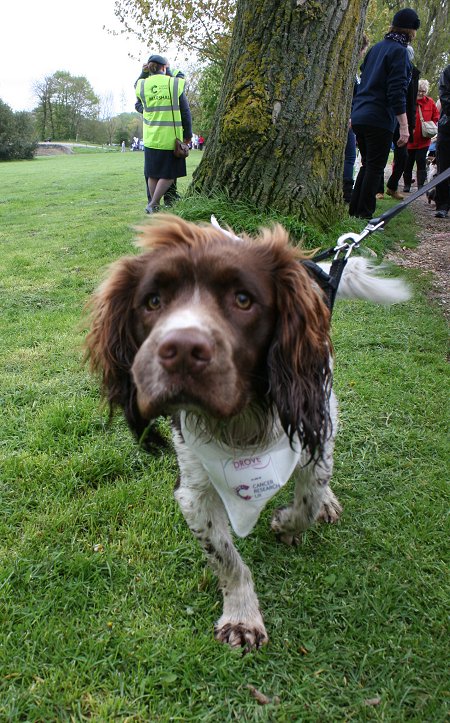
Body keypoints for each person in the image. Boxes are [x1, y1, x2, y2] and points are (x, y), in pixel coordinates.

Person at [349, 8, 420, 219]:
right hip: (379, 117)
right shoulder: (399, 52)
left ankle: (355, 211)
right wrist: (404, 126)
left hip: (361, 113)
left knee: (368, 164)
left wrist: (355, 112)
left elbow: (365, 81)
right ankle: (364, 214)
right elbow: (396, 91)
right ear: (411, 31)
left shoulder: (376, 49)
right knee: (375, 166)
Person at [135, 55, 188, 210]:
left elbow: (136, 87)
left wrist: (144, 72)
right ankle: (154, 204)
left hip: (151, 137)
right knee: (170, 173)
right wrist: (188, 134)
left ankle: (154, 206)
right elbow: (180, 78)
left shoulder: (142, 85)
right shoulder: (173, 83)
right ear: (164, 67)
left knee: (153, 173)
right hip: (170, 138)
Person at [383, 45, 420, 200]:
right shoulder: (389, 66)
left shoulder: (413, 73)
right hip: (387, 114)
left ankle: (392, 186)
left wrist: (410, 125)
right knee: (382, 153)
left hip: (403, 117)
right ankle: (378, 190)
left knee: (403, 155)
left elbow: (411, 100)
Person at [343, 33, 370, 203]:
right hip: (348, 119)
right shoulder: (350, 72)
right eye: (362, 51)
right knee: (349, 156)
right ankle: (346, 192)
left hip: (350, 117)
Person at [402, 79, 440, 193]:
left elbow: (436, 115)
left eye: (423, 91)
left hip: (424, 139)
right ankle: (407, 185)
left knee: (421, 162)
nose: (421, 93)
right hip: (410, 139)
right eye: (419, 90)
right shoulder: (410, 101)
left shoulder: (430, 102)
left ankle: (420, 187)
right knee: (408, 162)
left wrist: (430, 125)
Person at [434, 64, 450, 218]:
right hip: (448, 128)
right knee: (444, 167)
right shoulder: (448, 71)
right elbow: (445, 98)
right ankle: (443, 204)